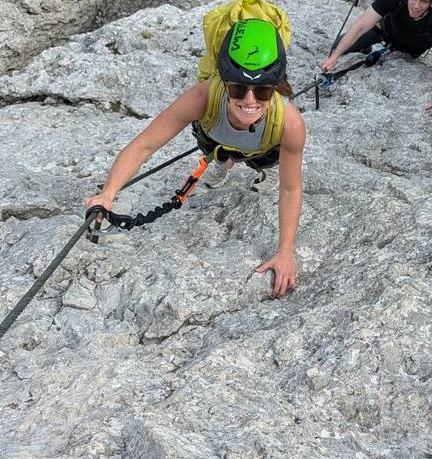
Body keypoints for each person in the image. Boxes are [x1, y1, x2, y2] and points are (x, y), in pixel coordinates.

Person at [84, 17, 307, 296]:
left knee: (262, 159)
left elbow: (290, 187)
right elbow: (144, 145)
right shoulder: (202, 98)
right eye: (239, 88)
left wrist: (285, 251)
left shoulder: (289, 123)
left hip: (263, 146)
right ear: (225, 82)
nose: (250, 100)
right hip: (216, 138)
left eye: (262, 91)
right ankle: (224, 161)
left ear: (274, 88)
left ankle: (254, 165)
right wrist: (108, 192)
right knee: (217, 150)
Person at [319, 0, 432, 121]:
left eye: (424, 1)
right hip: (385, 32)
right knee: (338, 45)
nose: (416, 5)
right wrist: (334, 57)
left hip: (411, 49)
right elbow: (361, 26)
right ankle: (366, 48)